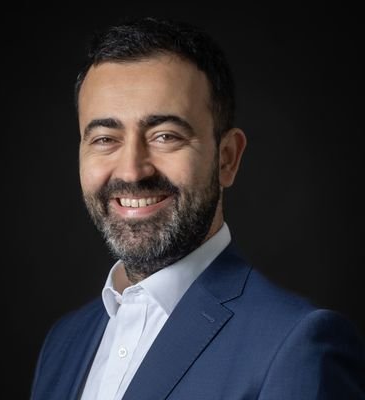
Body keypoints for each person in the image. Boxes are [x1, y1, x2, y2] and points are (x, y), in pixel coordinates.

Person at [30, 17, 365, 400]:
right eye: (105, 139)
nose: (131, 171)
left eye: (165, 136)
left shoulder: (298, 346)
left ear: (227, 158)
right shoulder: (63, 343)